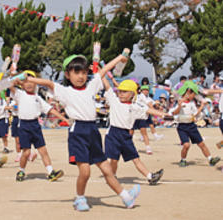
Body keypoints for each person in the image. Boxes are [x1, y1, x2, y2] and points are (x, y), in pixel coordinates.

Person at [26, 54, 141, 211]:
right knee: (85, 171)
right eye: (76, 72)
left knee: (107, 169)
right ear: (67, 74)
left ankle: (126, 197)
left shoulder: (92, 85)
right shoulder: (64, 91)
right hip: (78, 132)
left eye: (84, 72)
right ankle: (80, 198)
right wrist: (26, 78)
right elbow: (47, 82)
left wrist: (120, 57)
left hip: (93, 131)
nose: (81, 76)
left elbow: (105, 69)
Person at [102, 77, 165, 185]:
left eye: (124, 92)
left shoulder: (135, 106)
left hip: (126, 135)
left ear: (132, 94)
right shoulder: (114, 101)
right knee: (113, 159)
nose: (121, 94)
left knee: (136, 159)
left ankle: (150, 176)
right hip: (113, 134)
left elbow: (148, 110)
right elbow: (107, 85)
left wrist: (164, 115)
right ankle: (112, 177)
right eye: (120, 91)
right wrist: (101, 71)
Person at [9, 70, 66, 182]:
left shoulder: (38, 98)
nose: (29, 84)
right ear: (22, 84)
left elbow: (50, 110)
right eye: (26, 81)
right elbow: (10, 85)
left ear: (36, 83)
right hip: (24, 126)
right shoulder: (20, 94)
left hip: (35, 125)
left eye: (31, 81)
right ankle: (21, 170)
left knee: (43, 150)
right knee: (26, 152)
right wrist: (14, 76)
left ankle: (50, 172)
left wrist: (64, 119)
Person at [172, 81, 220, 167]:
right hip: (182, 127)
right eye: (193, 94)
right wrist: (179, 106)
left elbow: (194, 114)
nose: (194, 96)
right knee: (186, 145)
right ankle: (183, 160)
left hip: (191, 126)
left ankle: (210, 159)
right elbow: (174, 113)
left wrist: (201, 106)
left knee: (201, 144)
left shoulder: (191, 103)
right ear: (188, 92)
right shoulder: (180, 102)